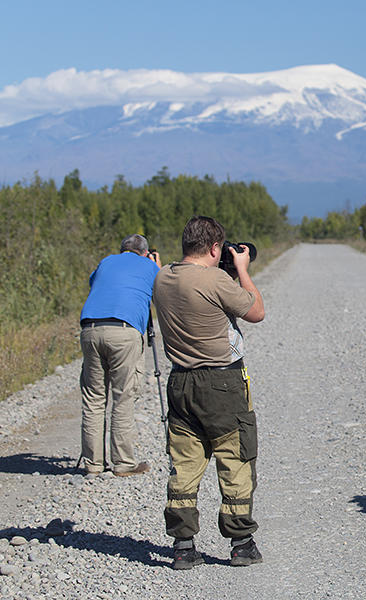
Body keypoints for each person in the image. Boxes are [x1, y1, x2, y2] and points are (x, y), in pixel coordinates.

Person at [153, 215, 265, 570]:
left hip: (180, 381)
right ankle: (241, 543)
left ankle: (183, 545)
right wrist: (243, 269)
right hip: (222, 382)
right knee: (235, 459)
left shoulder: (163, 277)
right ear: (216, 248)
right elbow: (256, 312)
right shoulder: (217, 280)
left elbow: (197, 292)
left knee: (185, 464)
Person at [79, 234, 161, 477]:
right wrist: (155, 265)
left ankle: (93, 463)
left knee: (93, 398)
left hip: (90, 328)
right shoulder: (149, 265)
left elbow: (94, 283)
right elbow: (161, 289)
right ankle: (124, 463)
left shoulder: (106, 261)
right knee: (123, 396)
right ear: (144, 252)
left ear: (123, 249)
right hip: (124, 330)